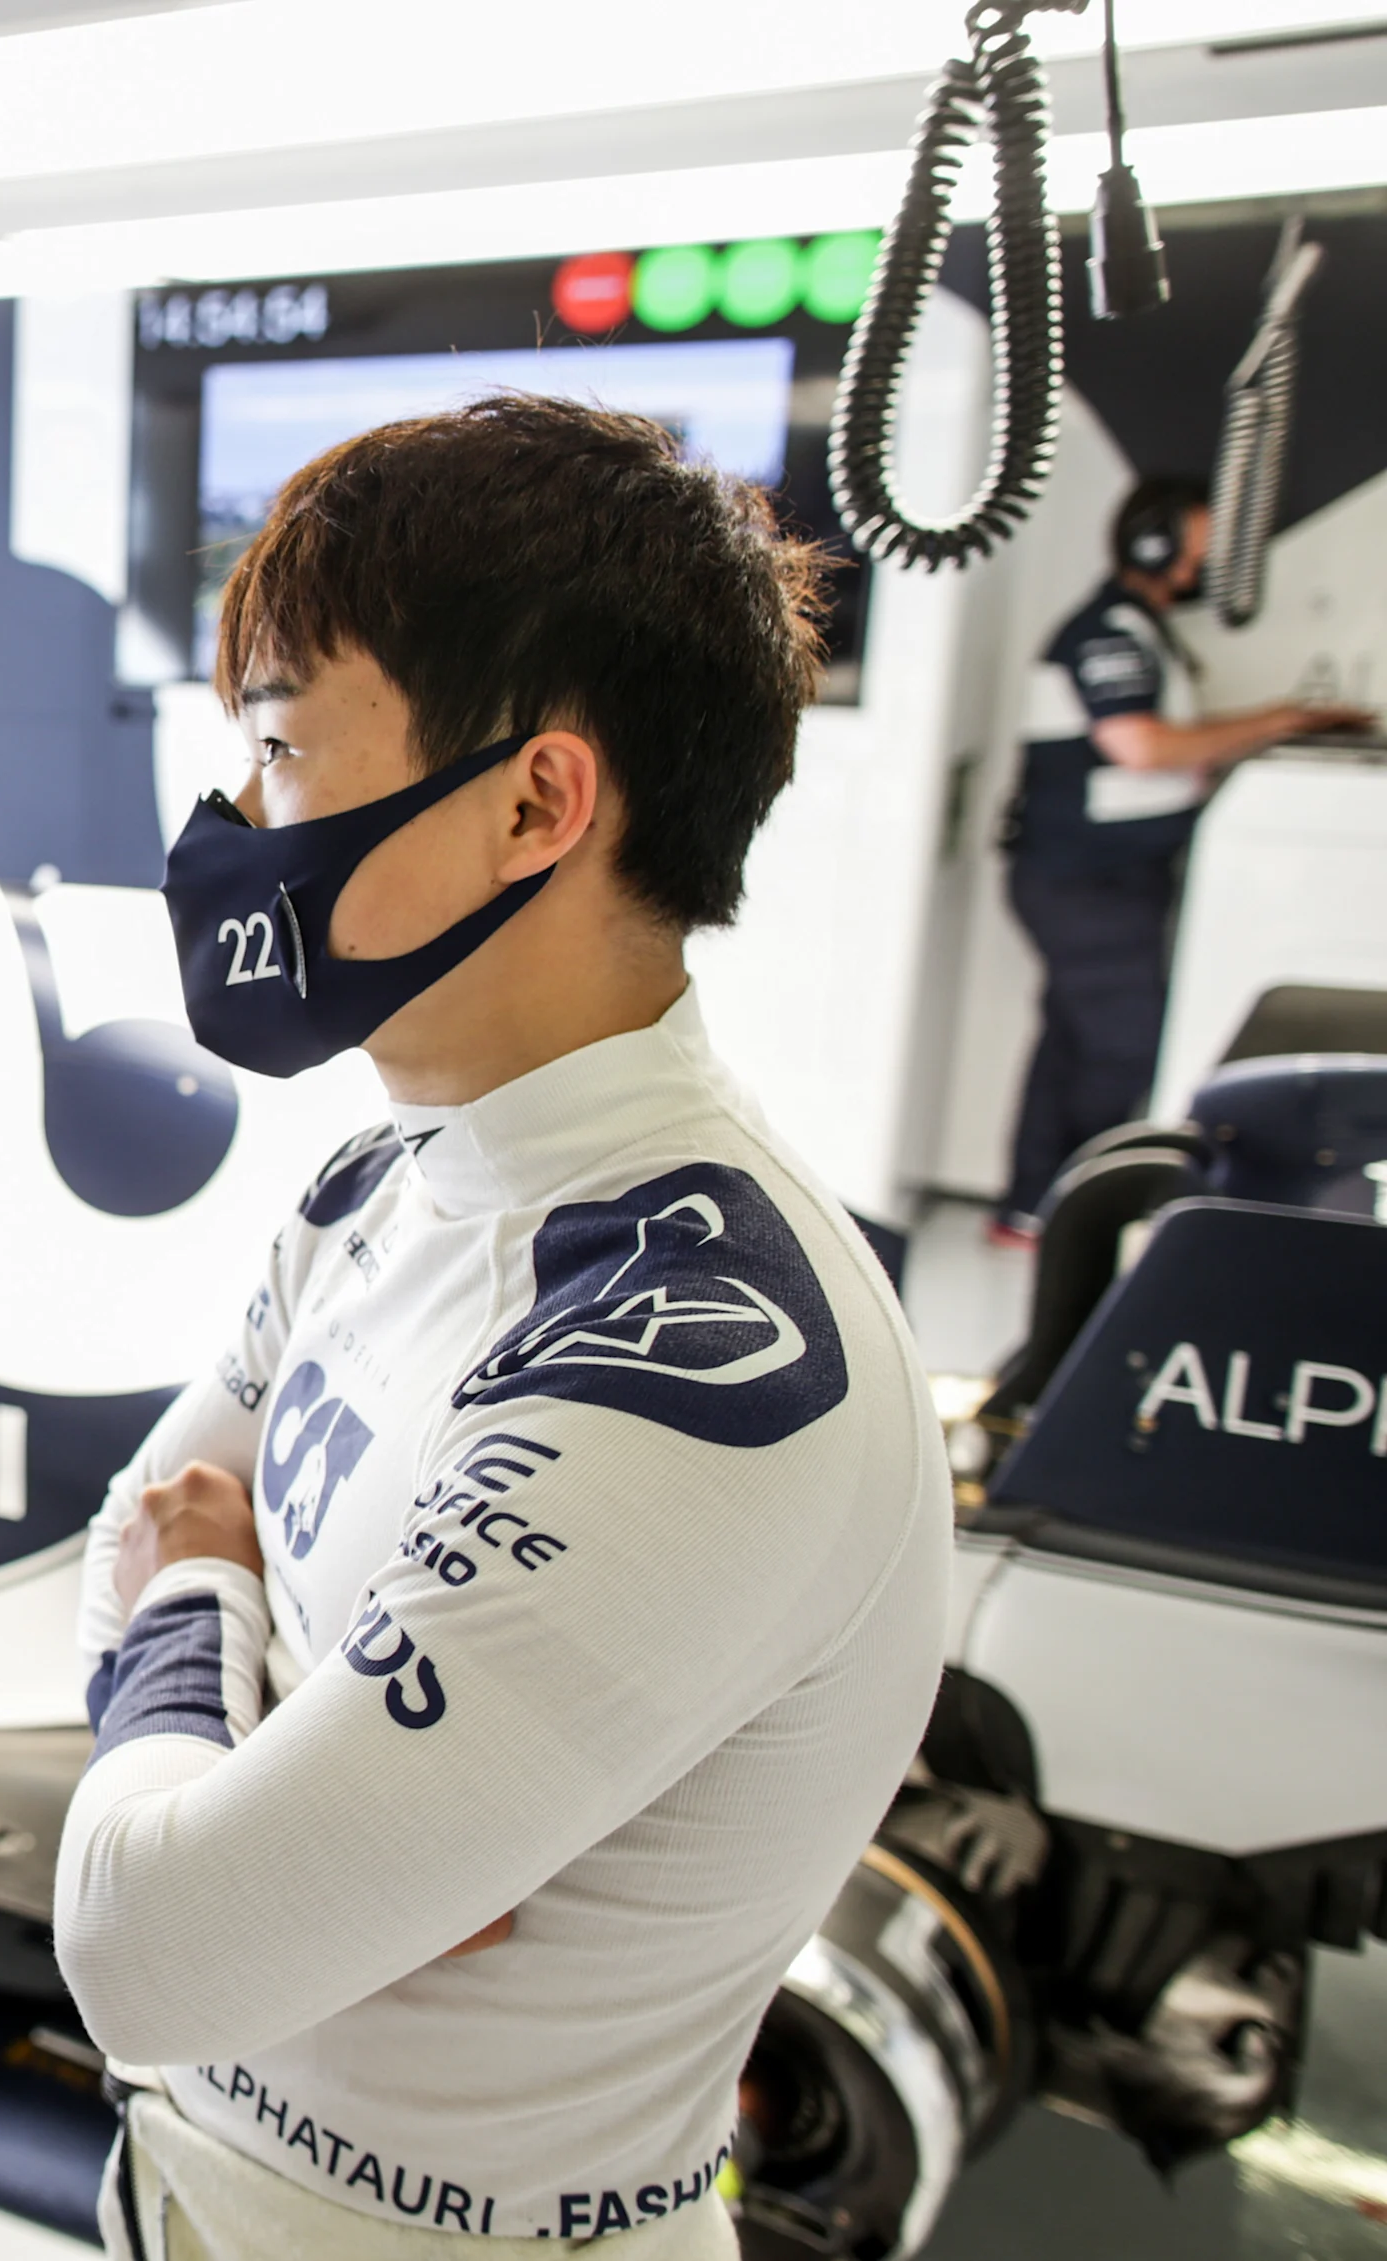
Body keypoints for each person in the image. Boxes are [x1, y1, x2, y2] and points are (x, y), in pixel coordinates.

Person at [52, 395, 950, 2257]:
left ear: (535, 803)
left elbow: (152, 1946)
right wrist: (326, 1804)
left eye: (281, 747)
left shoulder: (701, 1338)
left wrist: (223, 1636)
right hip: (183, 2194)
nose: (237, 824)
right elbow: (117, 1558)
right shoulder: (379, 1187)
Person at [995, 474, 1372, 1232]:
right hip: (1086, 880)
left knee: (1074, 1043)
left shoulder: (1144, 631)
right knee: (1122, 1045)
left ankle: (1033, 1209)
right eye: (1201, 544)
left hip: (1105, 878)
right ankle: (1073, 1215)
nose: (1208, 561)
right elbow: (1140, 746)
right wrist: (1280, 720)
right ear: (1154, 543)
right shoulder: (1108, 631)